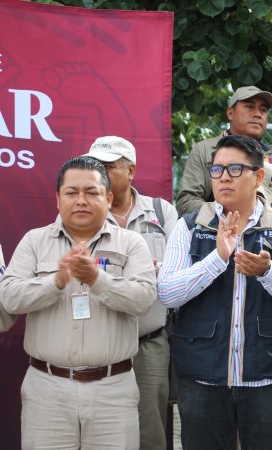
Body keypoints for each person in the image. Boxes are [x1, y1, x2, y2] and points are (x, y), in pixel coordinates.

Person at [158, 134, 272, 450]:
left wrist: (268, 272)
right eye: (216, 170)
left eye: (234, 169)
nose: (223, 178)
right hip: (202, 375)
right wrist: (217, 259)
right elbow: (168, 293)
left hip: (266, 375)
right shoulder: (190, 226)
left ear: (258, 176)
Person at [0, 156, 157, 450]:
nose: (81, 200)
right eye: (72, 193)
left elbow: (144, 298)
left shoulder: (131, 243)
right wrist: (55, 282)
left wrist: (98, 279)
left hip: (113, 389)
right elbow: (9, 297)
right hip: (47, 389)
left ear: (108, 198)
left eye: (92, 192)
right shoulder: (34, 241)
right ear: (57, 199)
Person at [82, 135, 178, 450]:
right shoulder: (81, 213)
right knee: (99, 431)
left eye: (109, 166)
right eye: (96, 166)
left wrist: (159, 269)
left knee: (150, 431)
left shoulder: (162, 212)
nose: (101, 173)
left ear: (131, 170)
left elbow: (181, 269)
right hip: (97, 342)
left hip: (149, 343)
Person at [176, 86, 272, 215]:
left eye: (263, 110)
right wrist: (228, 217)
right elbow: (186, 202)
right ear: (230, 113)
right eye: (249, 107)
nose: (258, 114)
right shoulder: (204, 150)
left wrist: (266, 223)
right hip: (215, 232)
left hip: (271, 232)